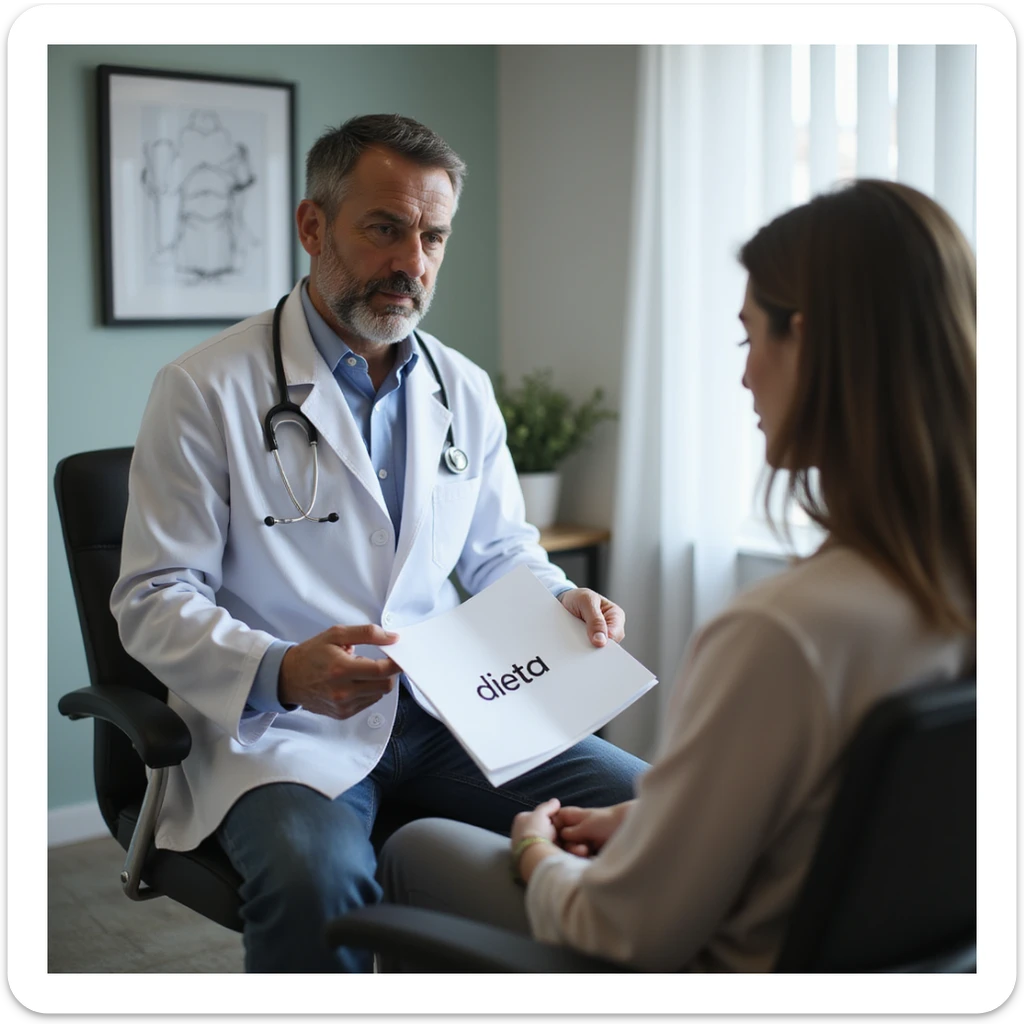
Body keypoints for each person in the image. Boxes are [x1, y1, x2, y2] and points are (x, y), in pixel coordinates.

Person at [377, 179, 977, 972]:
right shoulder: (963, 587)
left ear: (810, 344)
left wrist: (533, 853)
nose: (746, 377)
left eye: (749, 339)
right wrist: (654, 825)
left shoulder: (780, 635)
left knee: (417, 847)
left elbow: (623, 929)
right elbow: (848, 817)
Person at [110, 113, 648, 974]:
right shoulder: (204, 389)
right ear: (312, 226)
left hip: (448, 712)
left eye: (433, 237)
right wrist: (281, 669)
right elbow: (152, 595)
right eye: (385, 229)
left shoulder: (461, 386)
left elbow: (500, 550)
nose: (413, 263)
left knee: (653, 813)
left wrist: (559, 597)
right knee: (316, 883)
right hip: (284, 732)